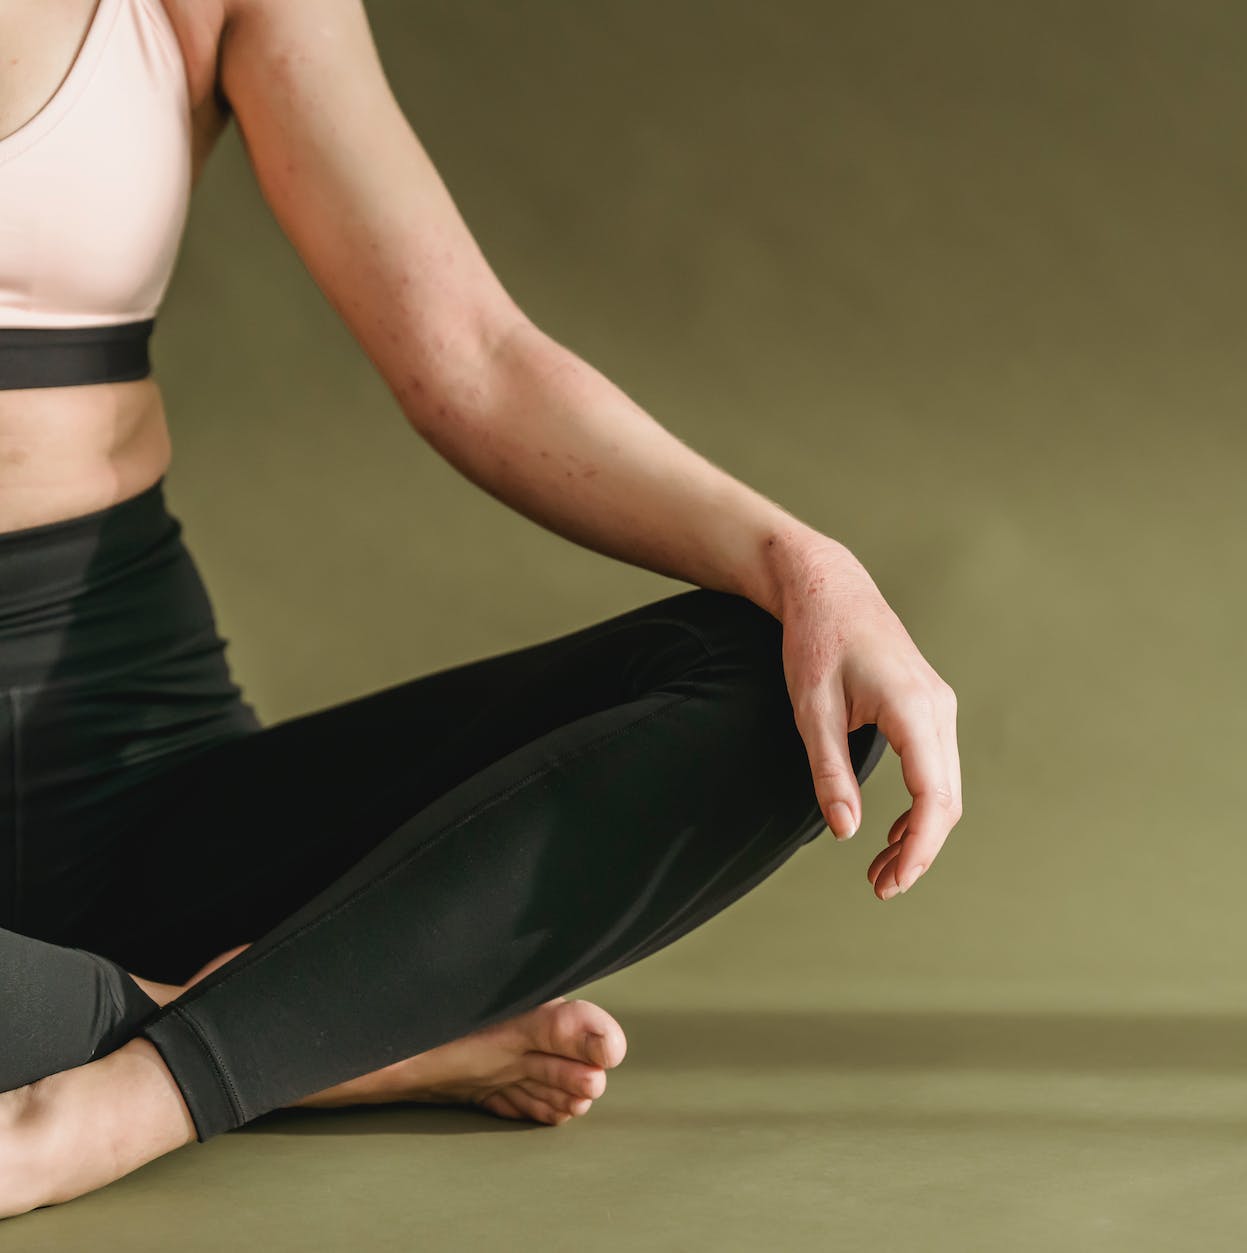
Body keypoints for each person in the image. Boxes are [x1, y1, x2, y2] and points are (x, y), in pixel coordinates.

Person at [0, 0, 963, 1217]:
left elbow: (471, 355)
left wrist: (810, 570)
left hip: (136, 761)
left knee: (781, 681)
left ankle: (121, 1095)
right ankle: (308, 1032)